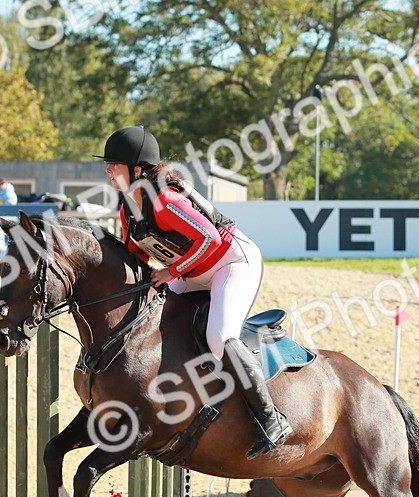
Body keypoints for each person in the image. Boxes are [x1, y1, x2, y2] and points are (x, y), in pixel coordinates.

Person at [96, 125, 291, 457]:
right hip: (191, 270)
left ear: (138, 170)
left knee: (220, 336)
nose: (108, 171)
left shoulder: (167, 201)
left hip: (231, 262)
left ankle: (271, 419)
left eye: (114, 165)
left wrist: (171, 271)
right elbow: (137, 256)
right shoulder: (128, 208)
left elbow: (210, 240)